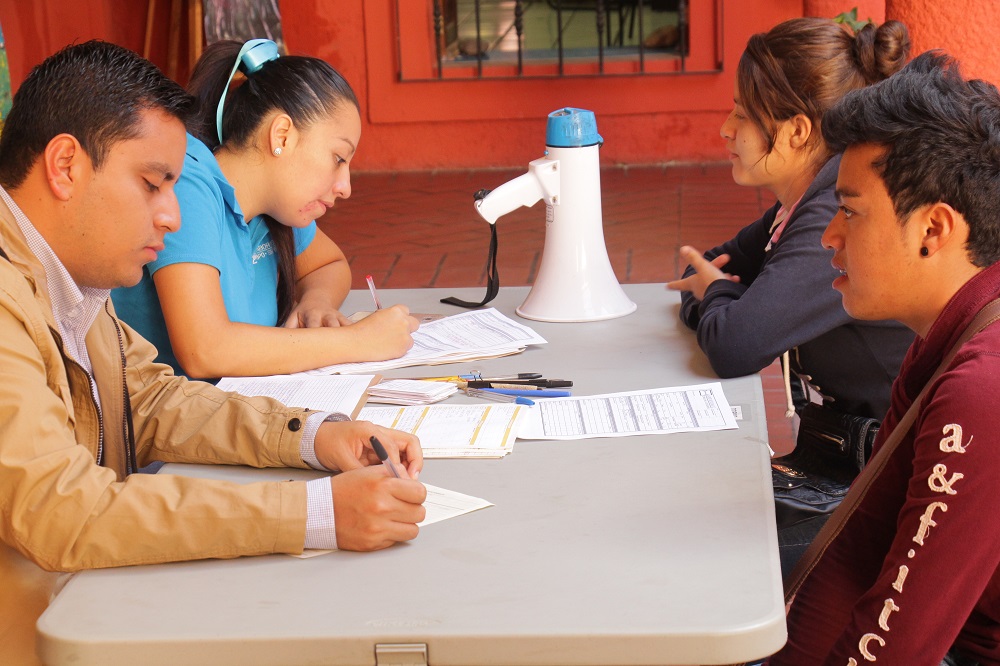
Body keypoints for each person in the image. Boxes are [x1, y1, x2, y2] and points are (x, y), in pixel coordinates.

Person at [0, 41, 426, 665]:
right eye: (152, 185)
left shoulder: (72, 276)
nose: (172, 217)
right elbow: (61, 510)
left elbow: (150, 399)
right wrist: (312, 514)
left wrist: (312, 437)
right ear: (65, 165)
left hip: (88, 602)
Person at [769, 51, 1000, 666]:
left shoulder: (984, 388)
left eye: (850, 210)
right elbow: (860, 544)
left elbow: (899, 644)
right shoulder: (942, 334)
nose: (828, 237)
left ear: (933, 230)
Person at [665, 17, 916, 575]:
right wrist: (723, 294)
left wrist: (723, 296)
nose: (727, 129)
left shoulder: (832, 213)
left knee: (700, 559)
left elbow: (734, 342)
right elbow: (706, 270)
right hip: (835, 454)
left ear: (798, 130)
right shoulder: (800, 205)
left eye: (742, 114)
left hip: (881, 474)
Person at [111, 39, 418, 379]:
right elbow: (205, 350)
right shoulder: (188, 183)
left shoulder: (278, 204)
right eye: (337, 159)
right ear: (282, 136)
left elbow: (329, 265)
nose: (344, 187)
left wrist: (316, 302)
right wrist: (357, 341)